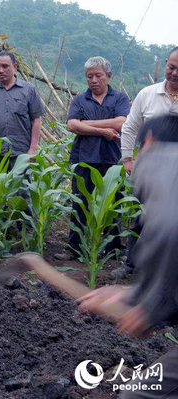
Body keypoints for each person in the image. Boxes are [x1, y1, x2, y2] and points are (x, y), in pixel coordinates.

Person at [78, 114, 178, 398]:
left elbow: (171, 228)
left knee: (137, 395)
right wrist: (132, 295)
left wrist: (150, 308)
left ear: (147, 142)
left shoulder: (164, 160)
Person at [111, 46, 178, 278]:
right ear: (165, 63)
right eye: (171, 66)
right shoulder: (147, 94)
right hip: (151, 172)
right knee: (141, 217)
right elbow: (130, 128)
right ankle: (130, 264)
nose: (175, 72)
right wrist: (128, 159)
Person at [55, 57, 131, 261]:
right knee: (79, 203)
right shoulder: (80, 100)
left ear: (109, 76)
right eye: (90, 76)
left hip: (112, 161)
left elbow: (122, 122)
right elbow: (72, 125)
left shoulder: (120, 98)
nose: (94, 80)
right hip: (84, 158)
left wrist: (88, 125)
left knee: (113, 203)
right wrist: (103, 131)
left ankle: (113, 250)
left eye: (98, 75)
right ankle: (75, 249)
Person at [0, 50, 45, 169]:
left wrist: (32, 149)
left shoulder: (29, 90)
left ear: (14, 67)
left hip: (21, 153)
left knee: (22, 187)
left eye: (5, 66)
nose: (1, 70)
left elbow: (36, 120)